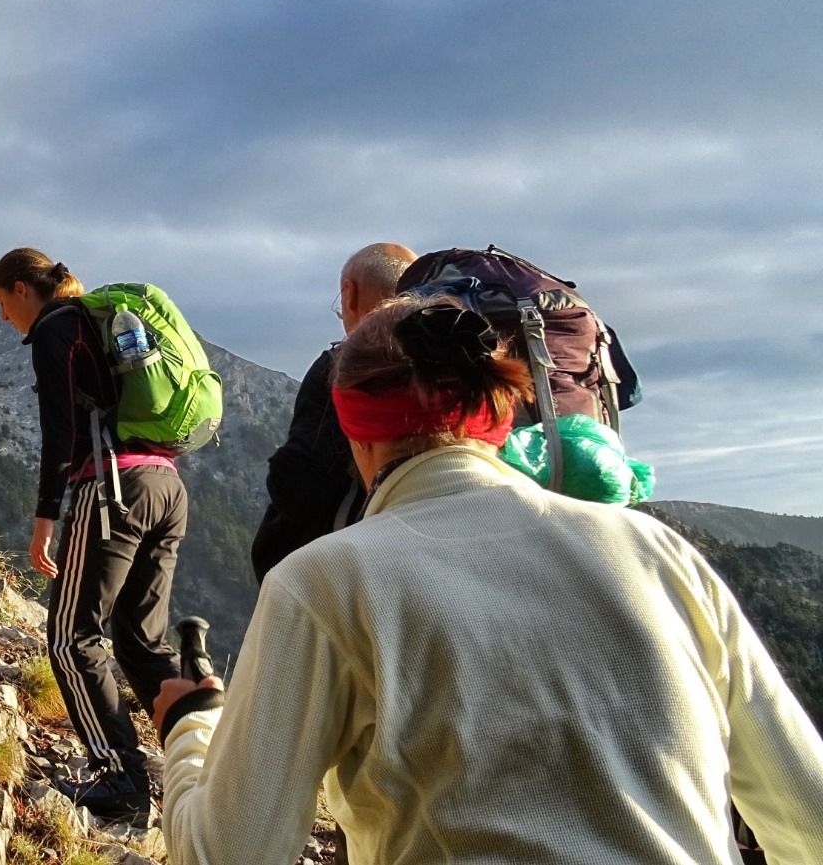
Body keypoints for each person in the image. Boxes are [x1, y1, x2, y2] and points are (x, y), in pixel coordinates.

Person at [151, 292, 823, 863]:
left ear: (356, 435)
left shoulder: (323, 582)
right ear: (501, 417)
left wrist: (191, 727)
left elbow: (228, 851)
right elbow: (807, 812)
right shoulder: (656, 551)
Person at [0, 248, 190, 822]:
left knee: (70, 636)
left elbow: (62, 430)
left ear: (25, 290)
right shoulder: (96, 324)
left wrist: (45, 519)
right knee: (141, 643)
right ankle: (207, 765)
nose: (5, 318)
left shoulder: (58, 328)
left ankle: (119, 778)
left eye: (4, 304)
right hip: (166, 485)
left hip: (113, 491)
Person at [251, 242, 415, 582]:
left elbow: (301, 487)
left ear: (348, 294)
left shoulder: (341, 369)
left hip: (345, 572)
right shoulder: (440, 362)